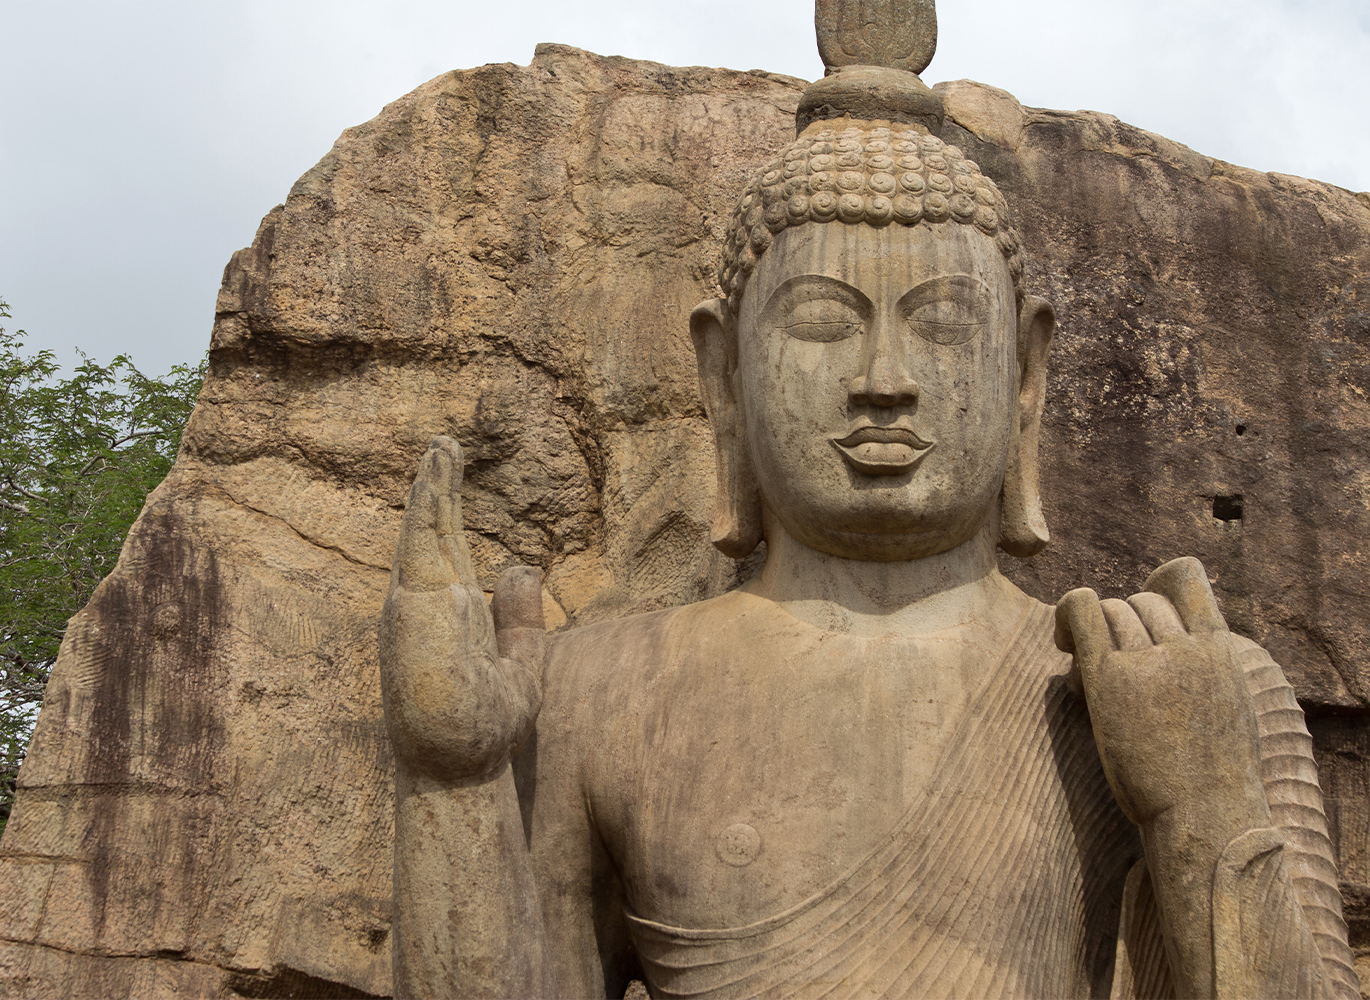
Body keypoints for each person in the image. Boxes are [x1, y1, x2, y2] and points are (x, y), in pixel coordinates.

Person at [378, 12, 1359, 999]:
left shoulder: (1184, 680)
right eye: (821, 322)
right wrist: (453, 779)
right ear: (723, 371)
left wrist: (1206, 813)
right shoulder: (596, 689)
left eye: (939, 322)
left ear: (1027, 370)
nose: (884, 380)